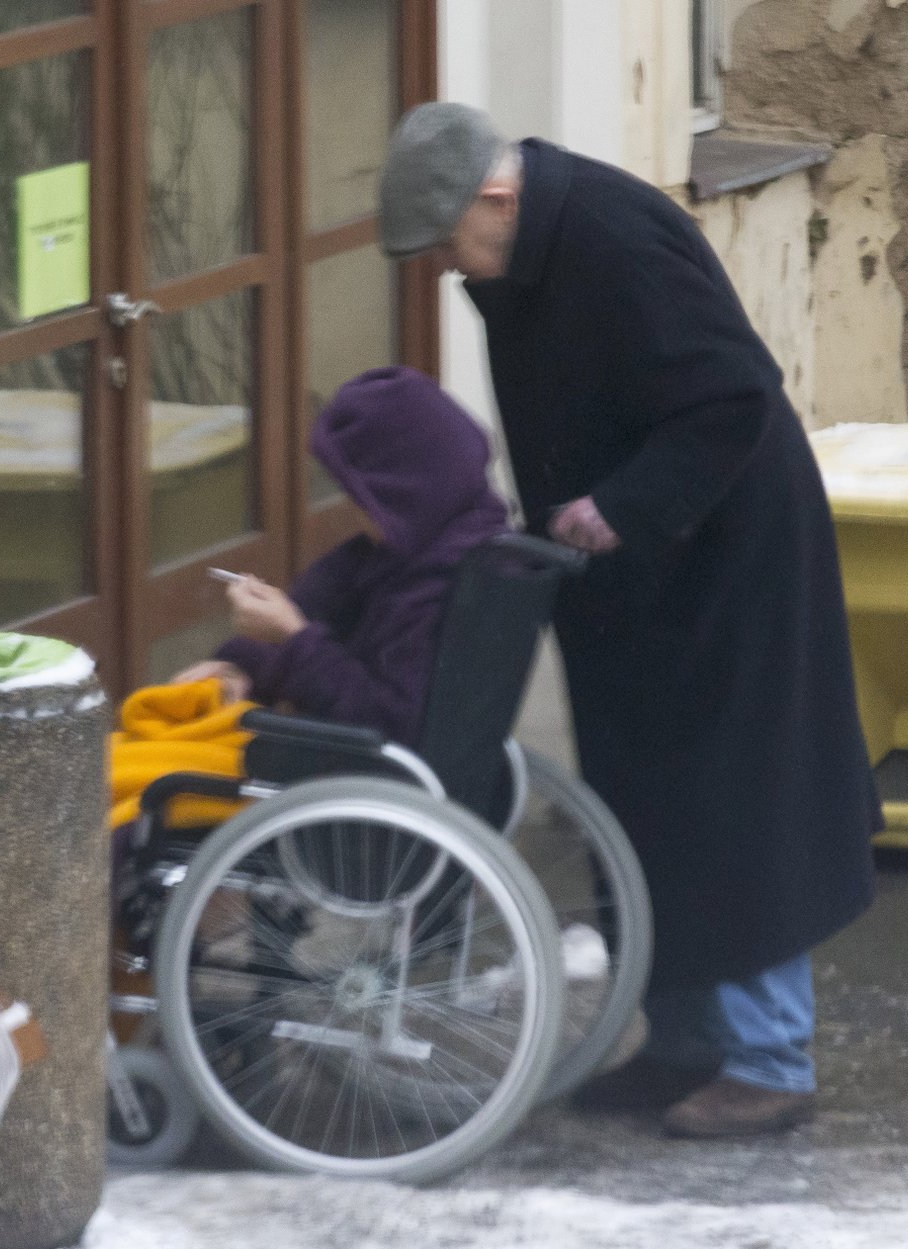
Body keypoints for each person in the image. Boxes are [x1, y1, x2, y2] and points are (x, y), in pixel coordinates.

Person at [377, 103, 881, 1138]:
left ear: (496, 197)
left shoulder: (615, 237)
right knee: (647, 802)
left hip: (726, 559)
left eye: (446, 240)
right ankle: (688, 1041)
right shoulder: (531, 244)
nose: (442, 265)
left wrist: (621, 506)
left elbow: (735, 395)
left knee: (737, 802)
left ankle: (771, 1059)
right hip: (631, 570)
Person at [110, 364, 509, 834]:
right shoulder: (413, 542)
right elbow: (313, 604)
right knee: (128, 750)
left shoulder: (439, 584)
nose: (352, 506)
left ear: (404, 488)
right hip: (328, 753)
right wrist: (240, 663)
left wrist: (292, 638)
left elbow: (388, 725)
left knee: (131, 793)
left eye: (360, 494)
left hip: (355, 782)